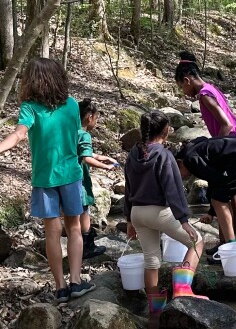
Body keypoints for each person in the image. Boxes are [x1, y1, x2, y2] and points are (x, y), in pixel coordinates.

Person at [0, 58, 95, 302]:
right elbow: (76, 135)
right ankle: (75, 282)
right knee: (74, 228)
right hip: (71, 176)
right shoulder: (72, 105)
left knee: (52, 233)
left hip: (44, 179)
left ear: (33, 81)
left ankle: (60, 288)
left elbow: (19, 135)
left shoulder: (29, 107)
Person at [124, 110, 207, 315]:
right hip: (158, 212)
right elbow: (174, 189)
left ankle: (156, 310)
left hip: (137, 213)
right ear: (165, 131)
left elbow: (128, 187)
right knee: (197, 241)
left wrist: (128, 220)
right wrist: (184, 219)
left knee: (151, 260)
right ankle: (182, 288)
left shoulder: (133, 154)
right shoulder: (164, 154)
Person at [174, 51, 236, 254]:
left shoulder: (204, 95)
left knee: (220, 196)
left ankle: (227, 243)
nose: (184, 92)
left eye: (181, 87)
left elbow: (225, 124)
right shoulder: (211, 88)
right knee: (231, 192)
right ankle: (234, 232)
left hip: (230, 144)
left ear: (187, 80)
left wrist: (214, 149)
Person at [174, 136, 236, 251]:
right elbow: (214, 179)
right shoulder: (192, 151)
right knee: (220, 197)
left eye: (178, 173)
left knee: (218, 199)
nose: (182, 177)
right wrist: (211, 213)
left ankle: (231, 247)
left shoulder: (190, 160)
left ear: (180, 162)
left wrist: (211, 212)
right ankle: (224, 243)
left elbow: (214, 179)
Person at [77, 99, 117, 259]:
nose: (96, 122)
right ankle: (88, 247)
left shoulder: (71, 131)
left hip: (66, 179)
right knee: (84, 209)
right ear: (89, 117)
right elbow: (86, 158)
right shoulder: (85, 134)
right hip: (79, 178)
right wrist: (105, 167)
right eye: (96, 118)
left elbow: (81, 152)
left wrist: (100, 156)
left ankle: (78, 244)